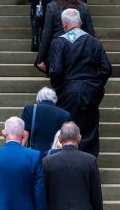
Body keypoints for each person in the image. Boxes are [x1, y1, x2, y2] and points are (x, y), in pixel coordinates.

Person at [48, 9, 112, 157]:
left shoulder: (59, 42)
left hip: (68, 91)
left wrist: (59, 87)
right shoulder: (93, 41)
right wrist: (96, 85)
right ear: (81, 23)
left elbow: (56, 71)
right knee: (90, 131)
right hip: (90, 91)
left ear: (64, 25)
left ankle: (67, 164)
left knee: (67, 129)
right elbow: (106, 68)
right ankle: (89, 164)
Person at [35, 0, 95, 74]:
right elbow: (91, 32)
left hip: (57, 51)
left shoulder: (52, 7)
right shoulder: (83, 7)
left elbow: (47, 34)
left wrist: (40, 58)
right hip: (79, 49)